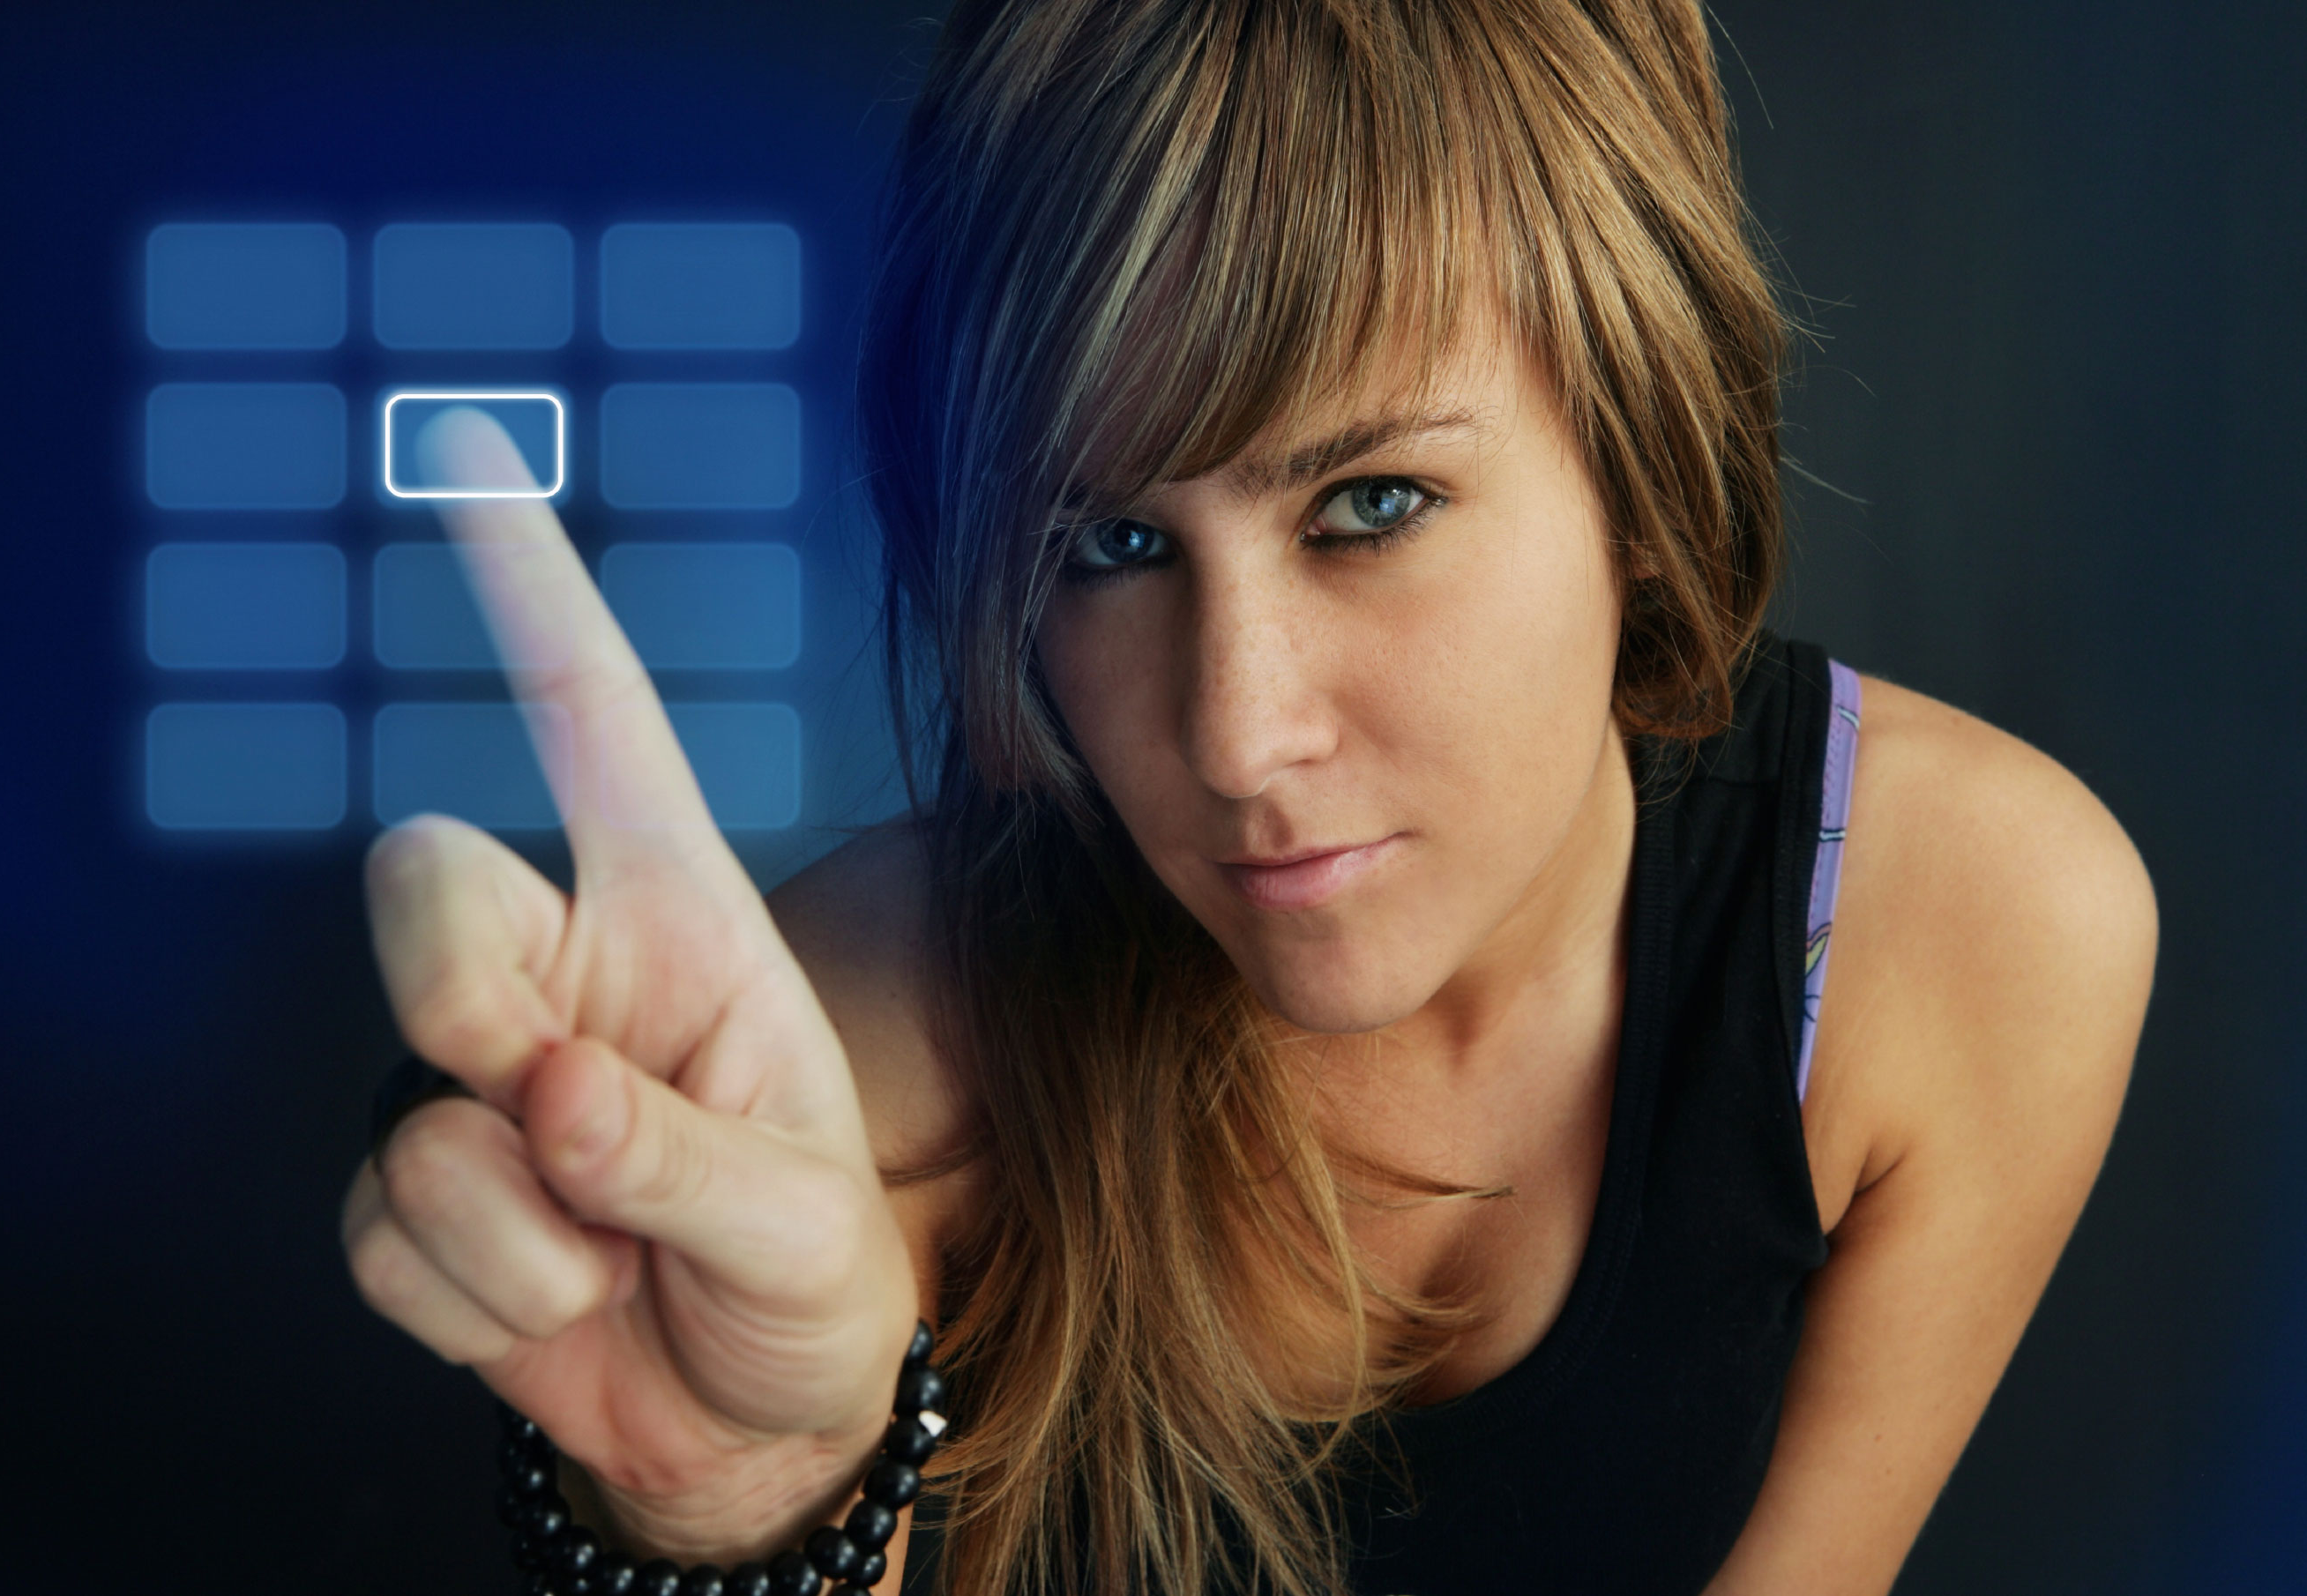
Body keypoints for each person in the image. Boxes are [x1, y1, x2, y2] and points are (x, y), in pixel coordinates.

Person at [339, 0, 2159, 1592]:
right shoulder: (840, 1056)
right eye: (1112, 544)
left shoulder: (1960, 931)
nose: (1234, 732)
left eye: (1370, 504)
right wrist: (733, 1506)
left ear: (1639, 444)